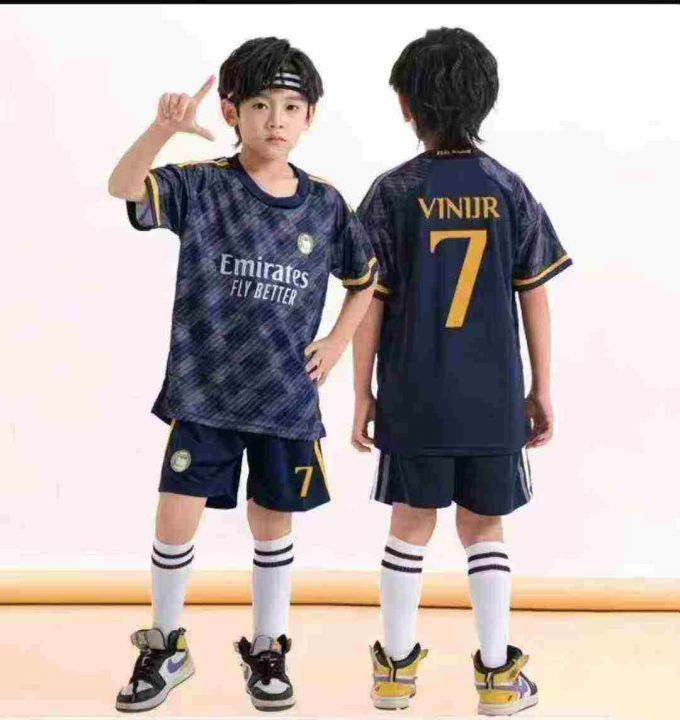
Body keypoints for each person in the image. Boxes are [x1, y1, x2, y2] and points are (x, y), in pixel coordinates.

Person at [108, 36, 377, 713]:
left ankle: (268, 647)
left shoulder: (325, 204)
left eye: (290, 106)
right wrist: (161, 130)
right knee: (176, 514)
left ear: (310, 116)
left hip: (284, 399)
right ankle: (165, 645)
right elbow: (124, 188)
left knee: (272, 524)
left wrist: (337, 343)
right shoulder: (203, 185)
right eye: (259, 105)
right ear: (232, 112)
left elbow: (365, 280)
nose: (274, 120)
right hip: (204, 393)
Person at [351, 27, 572, 716]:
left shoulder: (393, 192)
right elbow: (534, 293)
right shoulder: (508, 188)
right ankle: (499, 677)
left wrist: (362, 392)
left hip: (414, 391)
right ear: (486, 99)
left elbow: (369, 298)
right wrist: (542, 387)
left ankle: (393, 674)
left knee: (410, 522)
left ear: (405, 106)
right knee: (484, 527)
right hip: (492, 395)